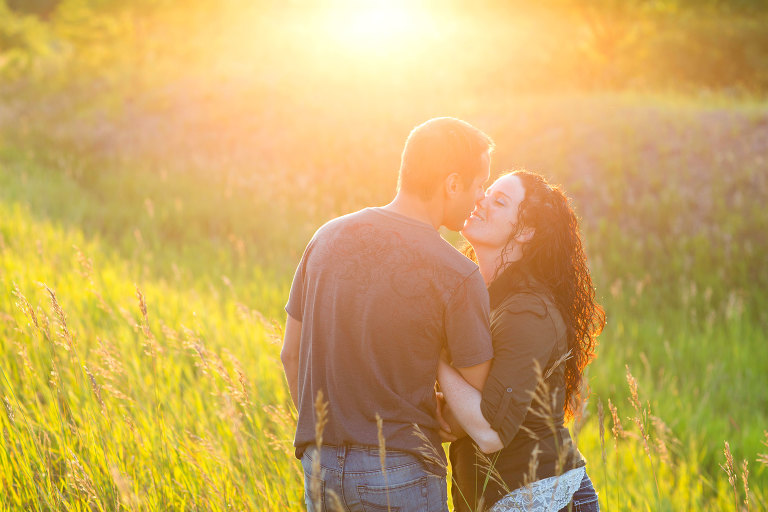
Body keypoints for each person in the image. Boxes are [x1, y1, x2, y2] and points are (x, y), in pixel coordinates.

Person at [281, 117, 496, 512]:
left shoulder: (326, 238)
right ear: (452, 184)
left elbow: (290, 354)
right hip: (401, 471)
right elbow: (481, 391)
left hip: (320, 465)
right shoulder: (458, 273)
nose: (480, 197)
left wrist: (327, 436)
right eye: (480, 183)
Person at [437, 171, 606, 512]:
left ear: (527, 231)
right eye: (486, 192)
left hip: (543, 499)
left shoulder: (528, 310)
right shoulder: (478, 296)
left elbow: (489, 433)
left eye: (500, 201)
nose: (481, 200)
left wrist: (433, 357)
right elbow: (464, 416)